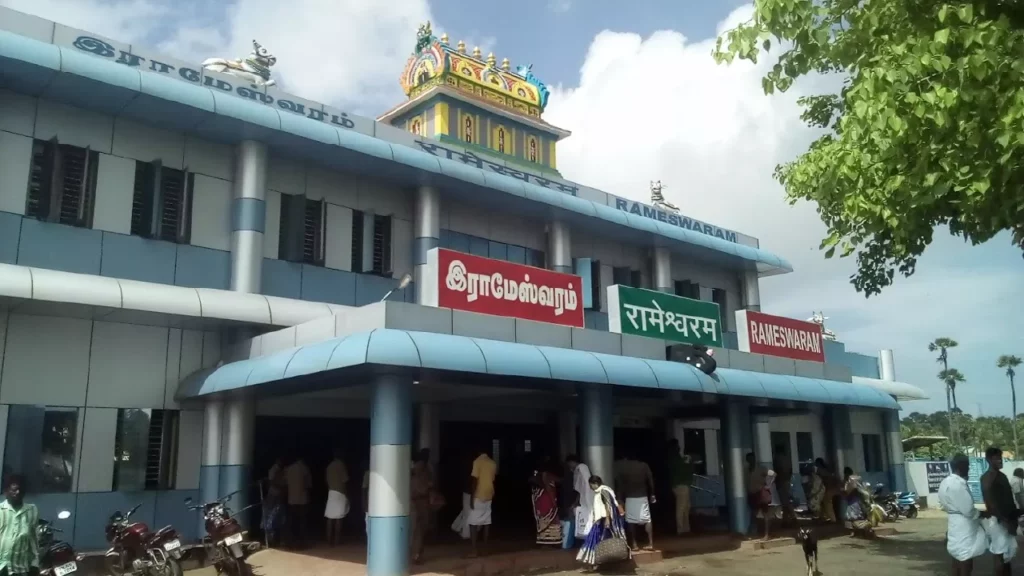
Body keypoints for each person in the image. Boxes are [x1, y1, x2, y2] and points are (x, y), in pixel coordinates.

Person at [940, 454, 990, 576]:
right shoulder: (958, 484)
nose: (968, 469)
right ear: (960, 467)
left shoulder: (945, 482)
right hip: (964, 525)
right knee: (966, 558)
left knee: (956, 556)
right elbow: (968, 510)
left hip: (954, 521)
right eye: (967, 466)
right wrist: (982, 513)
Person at [576, 475, 630, 571]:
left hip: (602, 521)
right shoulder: (605, 490)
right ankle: (594, 564)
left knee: (593, 541)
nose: (590, 487)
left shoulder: (603, 491)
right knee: (598, 541)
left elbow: (607, 505)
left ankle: (592, 564)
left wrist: (607, 519)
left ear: (595, 484)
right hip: (601, 521)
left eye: (591, 485)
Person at [981, 446, 1020, 574]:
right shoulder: (987, 478)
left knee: (1008, 555)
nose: (999, 461)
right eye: (996, 458)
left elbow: (1008, 500)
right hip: (998, 521)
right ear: (988, 460)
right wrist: (1004, 521)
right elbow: (990, 503)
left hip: (1008, 519)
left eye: (1000, 458)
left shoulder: (1002, 476)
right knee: (999, 554)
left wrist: (1013, 518)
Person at [614, 452, 655, 551]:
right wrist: (652, 494)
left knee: (631, 521)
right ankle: (650, 543)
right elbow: (650, 480)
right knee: (647, 520)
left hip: (630, 497)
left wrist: (620, 498)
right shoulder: (644, 466)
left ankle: (634, 544)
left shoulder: (624, 468)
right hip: (642, 495)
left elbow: (620, 484)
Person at [0, 475, 39, 576]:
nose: (17, 492)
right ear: (6, 491)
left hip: (20, 569)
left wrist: (35, 564)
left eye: (20, 490)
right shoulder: (1, 510)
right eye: (14, 490)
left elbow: (33, 540)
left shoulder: (31, 511)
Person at [468, 445, 497, 557]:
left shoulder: (477, 462)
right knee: (486, 522)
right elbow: (493, 480)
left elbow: (475, 480)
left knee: (472, 523)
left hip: (479, 495)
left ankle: (474, 550)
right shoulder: (492, 463)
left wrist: (472, 497)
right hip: (489, 494)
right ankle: (485, 549)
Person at [530, 457, 562, 546]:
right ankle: (552, 541)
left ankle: (544, 540)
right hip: (546, 500)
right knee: (552, 519)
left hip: (541, 501)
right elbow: (549, 488)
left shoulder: (539, 476)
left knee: (544, 519)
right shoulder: (545, 476)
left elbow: (560, 480)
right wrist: (553, 502)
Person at [410, 452, 433, 564]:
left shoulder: (417, 471)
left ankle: (417, 554)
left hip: (416, 502)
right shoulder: (425, 472)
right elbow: (429, 487)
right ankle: (417, 554)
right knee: (419, 530)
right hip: (419, 502)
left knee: (418, 530)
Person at [667, 439, 694, 535]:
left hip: (678, 485)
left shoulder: (672, 458)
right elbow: (684, 469)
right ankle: (681, 529)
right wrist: (687, 462)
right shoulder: (675, 458)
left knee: (685, 507)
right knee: (682, 508)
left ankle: (685, 528)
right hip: (681, 485)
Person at [285, 456, 312, 549]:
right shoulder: (304, 469)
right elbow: (309, 484)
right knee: (302, 523)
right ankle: (302, 544)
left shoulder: (289, 469)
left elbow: (286, 483)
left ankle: (290, 543)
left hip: (291, 499)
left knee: (292, 522)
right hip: (302, 500)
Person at [324, 448, 350, 546]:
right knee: (339, 517)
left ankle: (328, 540)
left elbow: (326, 481)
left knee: (330, 517)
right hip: (340, 493)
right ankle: (336, 540)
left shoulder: (329, 466)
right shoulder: (341, 465)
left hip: (331, 492)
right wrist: (347, 494)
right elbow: (345, 480)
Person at [568, 454, 596, 542]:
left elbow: (585, 483)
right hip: (585, 498)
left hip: (587, 498)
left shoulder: (581, 468)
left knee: (589, 516)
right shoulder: (578, 469)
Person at [745, 452, 772, 540]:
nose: (751, 461)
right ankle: (753, 533)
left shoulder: (761, 468)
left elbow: (773, 474)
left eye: (752, 459)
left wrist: (769, 484)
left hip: (761, 493)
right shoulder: (747, 470)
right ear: (747, 460)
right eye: (749, 459)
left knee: (765, 515)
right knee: (753, 514)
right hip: (752, 494)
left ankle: (766, 535)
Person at [262, 458, 286, 547]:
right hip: (274, 496)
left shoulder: (279, 470)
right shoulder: (274, 470)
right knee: (271, 518)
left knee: (277, 518)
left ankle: (274, 540)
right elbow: (272, 482)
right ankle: (270, 540)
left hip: (277, 496)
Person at [772, 445, 795, 523]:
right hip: (787, 481)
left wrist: (777, 480)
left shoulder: (777, 458)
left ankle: (793, 518)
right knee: (786, 501)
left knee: (785, 502)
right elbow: (790, 470)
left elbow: (778, 470)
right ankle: (786, 520)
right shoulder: (787, 458)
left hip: (781, 482)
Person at [814, 458, 838, 523]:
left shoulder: (821, 470)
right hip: (829, 488)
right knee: (822, 503)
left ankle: (833, 519)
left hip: (828, 488)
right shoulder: (825, 469)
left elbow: (821, 480)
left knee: (827, 503)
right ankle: (823, 517)